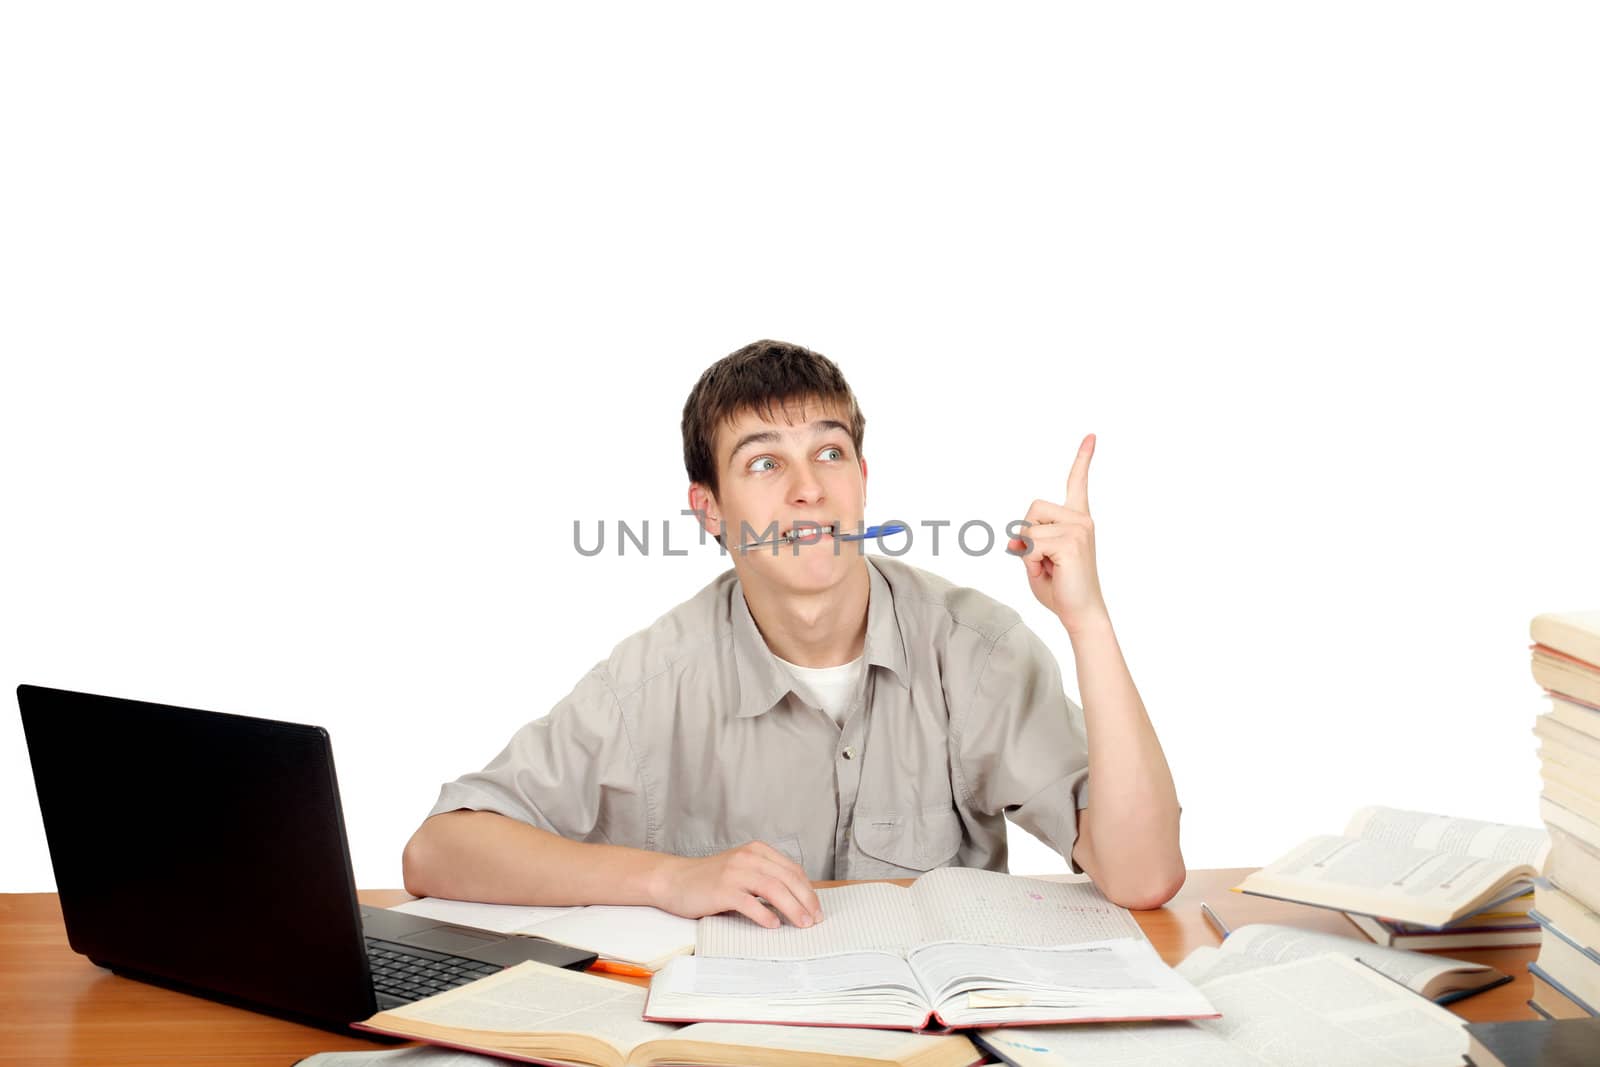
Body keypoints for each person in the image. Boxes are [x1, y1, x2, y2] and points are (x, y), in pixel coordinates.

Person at [401, 340, 1183, 927]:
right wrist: (671, 880)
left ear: (863, 480)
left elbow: (1143, 873)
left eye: (829, 452)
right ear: (709, 510)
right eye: (765, 463)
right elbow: (437, 851)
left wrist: (1088, 620)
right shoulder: (655, 678)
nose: (809, 489)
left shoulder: (974, 651)